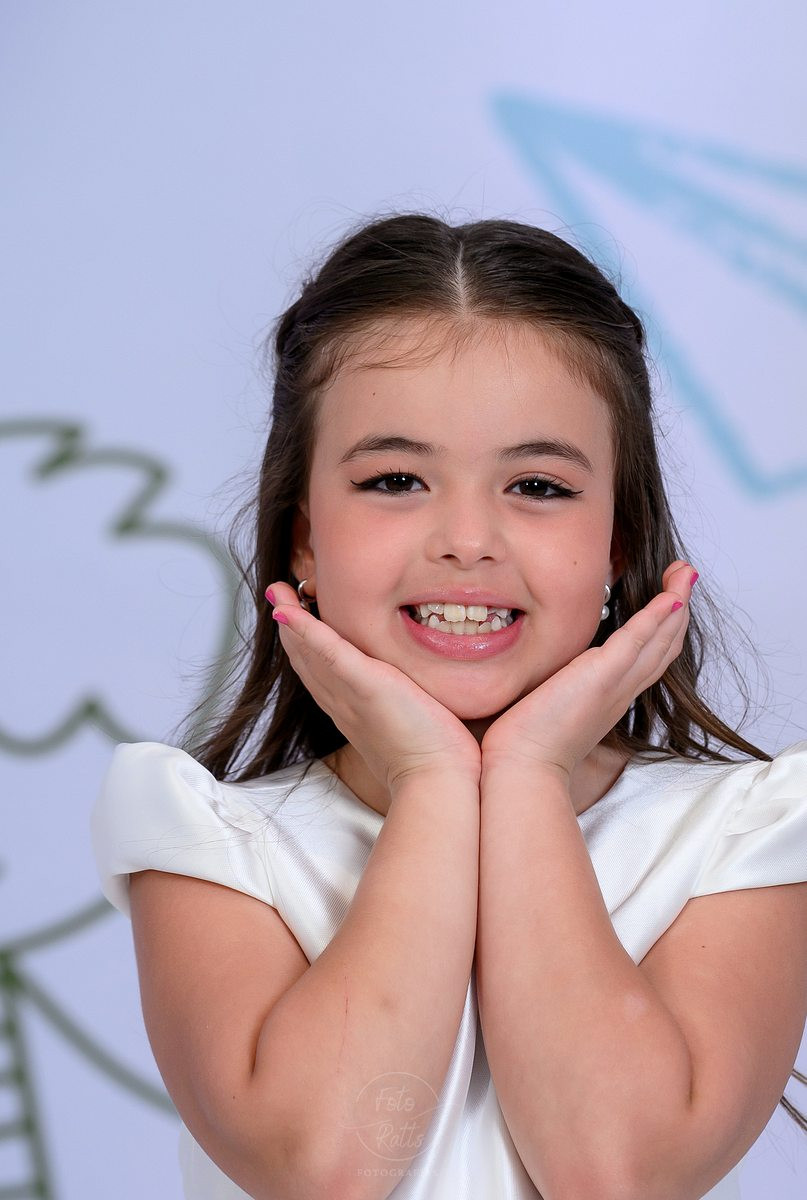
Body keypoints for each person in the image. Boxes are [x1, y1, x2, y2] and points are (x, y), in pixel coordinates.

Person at [91, 213, 807, 1200]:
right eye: (395, 480)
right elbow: (326, 1169)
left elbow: (615, 1174)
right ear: (304, 539)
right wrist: (433, 781)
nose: (467, 539)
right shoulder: (210, 841)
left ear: (617, 543)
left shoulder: (744, 833)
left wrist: (526, 776)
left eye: (537, 485)